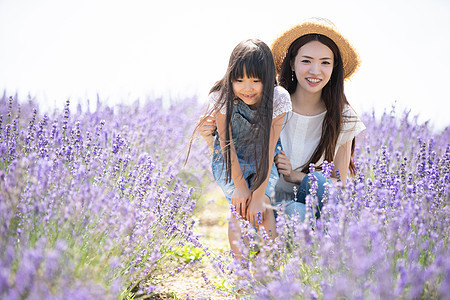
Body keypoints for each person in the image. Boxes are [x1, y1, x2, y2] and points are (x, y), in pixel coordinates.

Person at [199, 18, 365, 221]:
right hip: (269, 203)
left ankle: (329, 248)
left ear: (334, 68)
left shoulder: (343, 116)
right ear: (292, 63)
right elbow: (240, 156)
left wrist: (296, 175)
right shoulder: (272, 104)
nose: (315, 71)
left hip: (317, 209)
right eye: (306, 61)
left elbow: (338, 188)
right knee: (297, 213)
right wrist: (211, 139)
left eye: (325, 63)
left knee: (318, 192)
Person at [192, 39, 291, 256]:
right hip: (229, 161)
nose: (247, 88)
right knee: (239, 210)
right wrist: (240, 186)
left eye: (256, 80)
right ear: (230, 78)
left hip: (262, 160)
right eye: (239, 80)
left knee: (263, 208)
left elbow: (269, 148)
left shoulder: (278, 98)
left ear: (267, 78)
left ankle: (268, 273)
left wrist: (258, 195)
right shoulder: (222, 97)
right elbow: (226, 144)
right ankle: (241, 273)